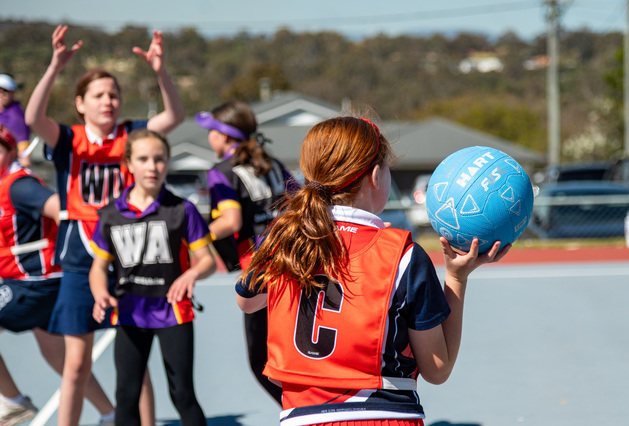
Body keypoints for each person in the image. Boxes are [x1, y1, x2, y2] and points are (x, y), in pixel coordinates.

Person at [235, 115, 511, 425]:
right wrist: (457, 277)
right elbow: (437, 369)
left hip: (301, 416)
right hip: (383, 414)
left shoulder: (285, 241)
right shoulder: (402, 256)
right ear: (376, 176)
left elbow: (246, 301)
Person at [24, 24, 184, 426]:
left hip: (130, 258)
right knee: (76, 364)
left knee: (135, 361)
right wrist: (54, 67)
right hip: (82, 260)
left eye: (113, 94)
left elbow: (175, 116)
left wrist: (161, 72)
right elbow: (32, 117)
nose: (108, 101)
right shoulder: (68, 139)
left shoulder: (133, 135)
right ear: (80, 104)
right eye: (98, 95)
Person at [89, 129, 215, 426]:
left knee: (182, 393)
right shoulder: (110, 214)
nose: (152, 166)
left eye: (159, 159)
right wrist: (100, 293)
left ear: (168, 162)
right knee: (126, 393)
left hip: (173, 312)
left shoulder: (182, 210)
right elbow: (98, 268)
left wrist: (192, 274)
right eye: (143, 159)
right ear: (128, 163)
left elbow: (208, 260)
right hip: (130, 313)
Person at [0, 125, 115, 426]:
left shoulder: (20, 186)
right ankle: (111, 414)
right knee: (65, 363)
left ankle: (14, 402)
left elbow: (63, 210)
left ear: (11, 152)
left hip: (37, 282)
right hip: (33, 282)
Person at [195, 100, 297, 404]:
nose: (208, 137)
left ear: (223, 135)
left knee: (261, 362)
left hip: (263, 271)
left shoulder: (221, 172)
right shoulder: (273, 164)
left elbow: (231, 221)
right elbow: (301, 203)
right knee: (296, 351)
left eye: (210, 131)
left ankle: (303, 414)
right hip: (295, 261)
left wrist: (192, 238)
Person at [0, 74, 31, 167]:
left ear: (13, 93)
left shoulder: (16, 116)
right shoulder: (3, 111)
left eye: (5, 91)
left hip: (7, 167)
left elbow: (24, 156)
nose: (1, 94)